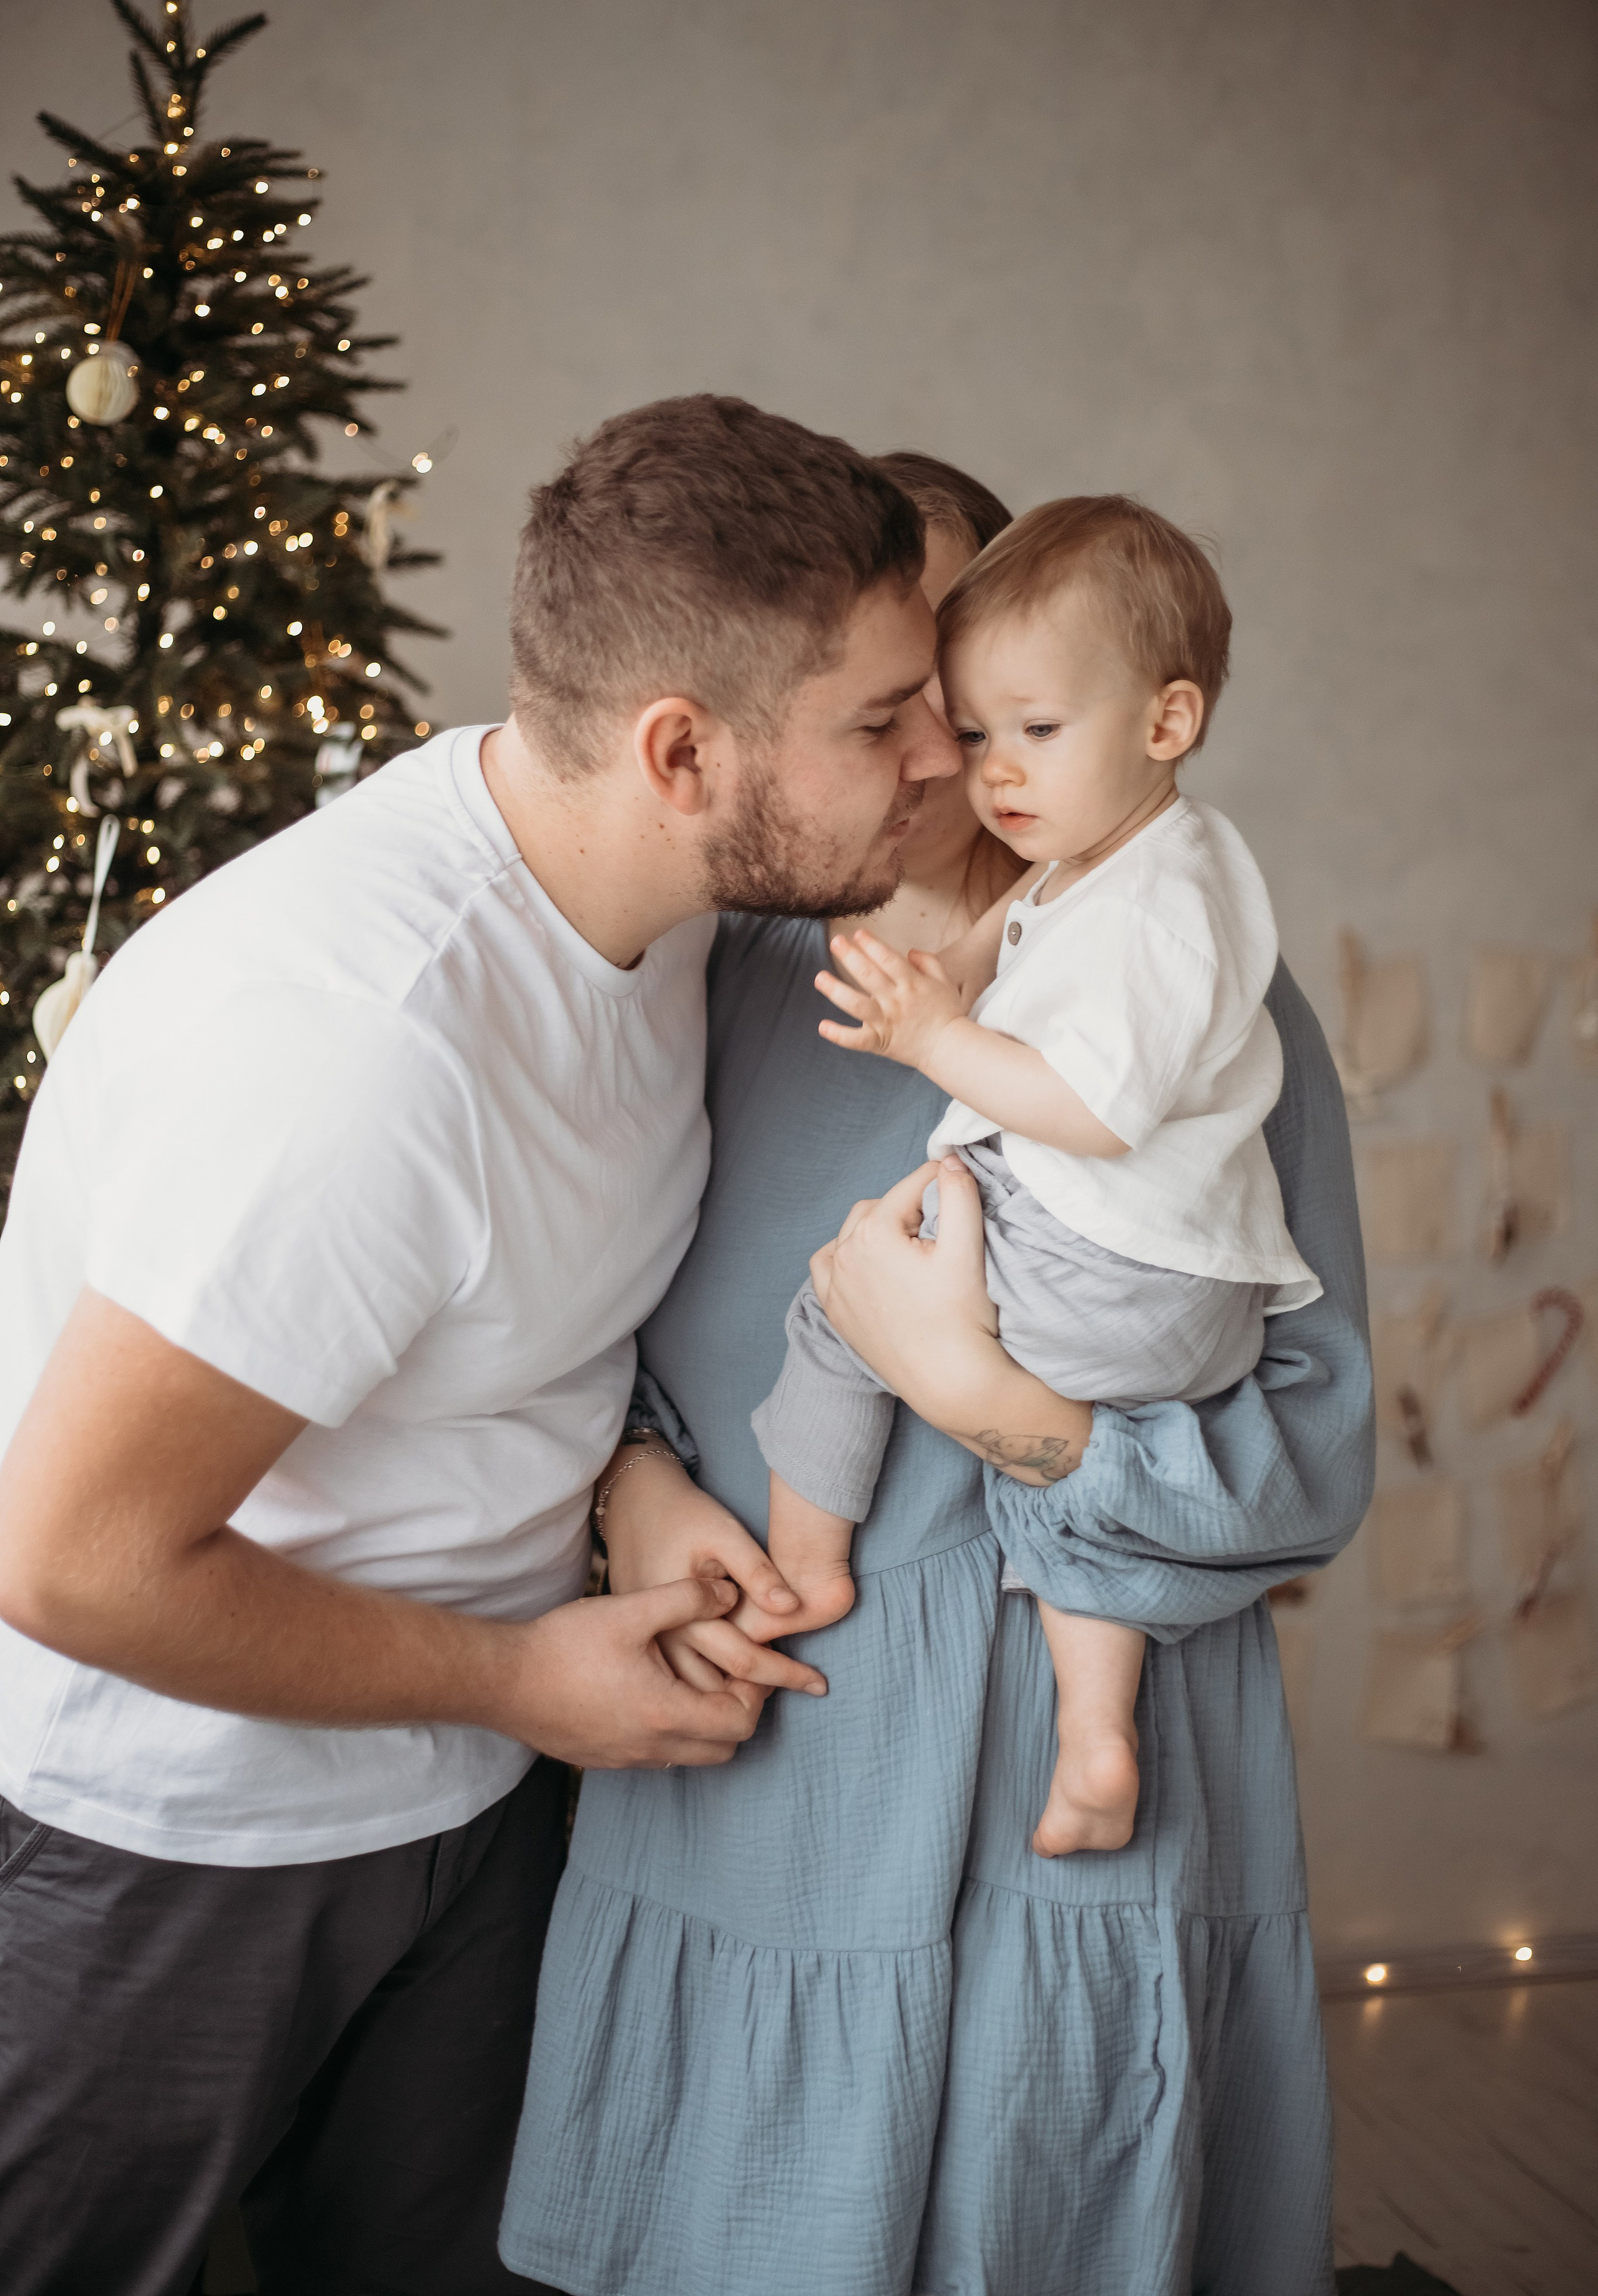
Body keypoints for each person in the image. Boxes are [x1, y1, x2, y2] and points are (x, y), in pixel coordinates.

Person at [0, 395, 962, 2296]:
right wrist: (523, 1678)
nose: (942, 758)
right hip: (178, 1845)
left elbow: (495, 1322)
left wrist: (634, 1482)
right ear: (681, 752)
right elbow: (72, 1558)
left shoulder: (651, 897)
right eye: (882, 721)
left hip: (466, 1803)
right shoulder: (357, 1046)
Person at [499, 452, 1374, 2296]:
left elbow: (1312, 1449)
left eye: (973, 703)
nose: (945, 760)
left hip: (1092, 1843)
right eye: (896, 707)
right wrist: (637, 1495)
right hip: (772, 1800)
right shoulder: (708, 978)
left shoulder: (1211, 1007)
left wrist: (980, 1399)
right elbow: (552, 1342)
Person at [753, 494, 1321, 1858]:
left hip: (1112, 1253)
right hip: (1176, 1298)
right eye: (961, 720)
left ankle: (798, 1570)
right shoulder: (1119, 858)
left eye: (1029, 728)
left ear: (1163, 722)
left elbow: (1091, 1106)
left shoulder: (1159, 906)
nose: (980, 767)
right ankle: (1092, 1739)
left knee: (846, 1299)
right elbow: (1031, 932)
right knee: (1067, 1525)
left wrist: (937, 1036)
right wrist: (956, 975)